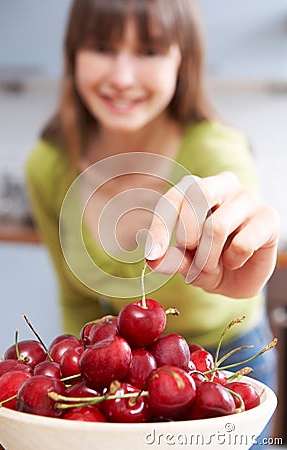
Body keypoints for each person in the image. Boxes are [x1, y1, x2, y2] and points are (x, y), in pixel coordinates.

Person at [26, 0, 279, 419]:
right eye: (101, 47)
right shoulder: (48, 167)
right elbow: (77, 305)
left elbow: (243, 216)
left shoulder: (217, 151)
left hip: (226, 366)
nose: (122, 78)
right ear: (73, 54)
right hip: (120, 376)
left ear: (184, 60)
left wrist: (247, 247)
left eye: (150, 51)